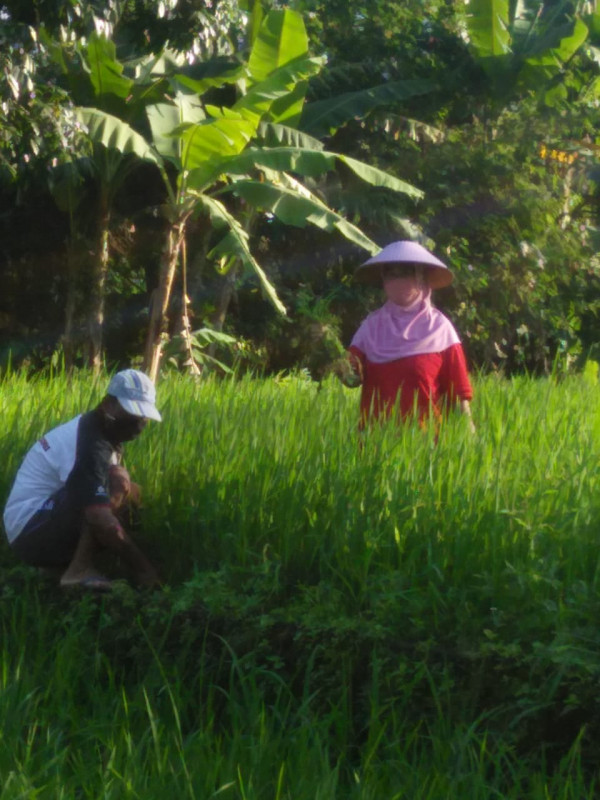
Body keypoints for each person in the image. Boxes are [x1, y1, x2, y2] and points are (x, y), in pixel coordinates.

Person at [3, 369, 162, 590]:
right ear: (108, 404)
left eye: (142, 418)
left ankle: (61, 567)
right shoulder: (87, 441)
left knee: (132, 493)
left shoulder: (104, 434)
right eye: (131, 414)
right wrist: (144, 568)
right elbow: (97, 515)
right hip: (29, 530)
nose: (137, 424)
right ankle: (78, 570)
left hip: (40, 523)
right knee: (114, 485)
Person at [338, 240, 474, 430]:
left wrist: (471, 440)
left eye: (405, 272)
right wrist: (330, 356)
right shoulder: (371, 327)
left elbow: (459, 395)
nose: (397, 279)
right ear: (383, 280)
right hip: (375, 444)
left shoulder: (440, 329)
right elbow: (350, 378)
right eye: (390, 274)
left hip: (427, 448)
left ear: (421, 277)